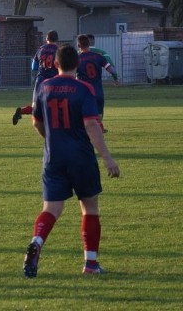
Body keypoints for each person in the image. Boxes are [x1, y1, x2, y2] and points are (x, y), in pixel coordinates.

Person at [22, 44, 119, 278]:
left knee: (52, 208)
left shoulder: (44, 87)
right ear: (77, 64)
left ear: (55, 64)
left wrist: (51, 139)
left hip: (53, 156)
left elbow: (36, 122)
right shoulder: (84, 88)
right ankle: (91, 265)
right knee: (89, 207)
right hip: (80, 157)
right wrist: (107, 158)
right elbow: (91, 124)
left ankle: (37, 241)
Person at [12, 30, 60, 125]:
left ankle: (21, 111)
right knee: (54, 105)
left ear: (46, 39)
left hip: (40, 79)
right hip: (53, 80)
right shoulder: (59, 50)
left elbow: (34, 67)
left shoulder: (40, 49)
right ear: (57, 39)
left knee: (36, 106)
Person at [76, 34, 119, 133]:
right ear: (89, 44)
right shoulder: (99, 56)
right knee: (99, 113)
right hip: (97, 90)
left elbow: (72, 74)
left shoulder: (77, 59)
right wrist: (116, 79)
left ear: (79, 46)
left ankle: (87, 129)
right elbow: (112, 70)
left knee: (83, 113)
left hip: (84, 92)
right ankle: (98, 128)